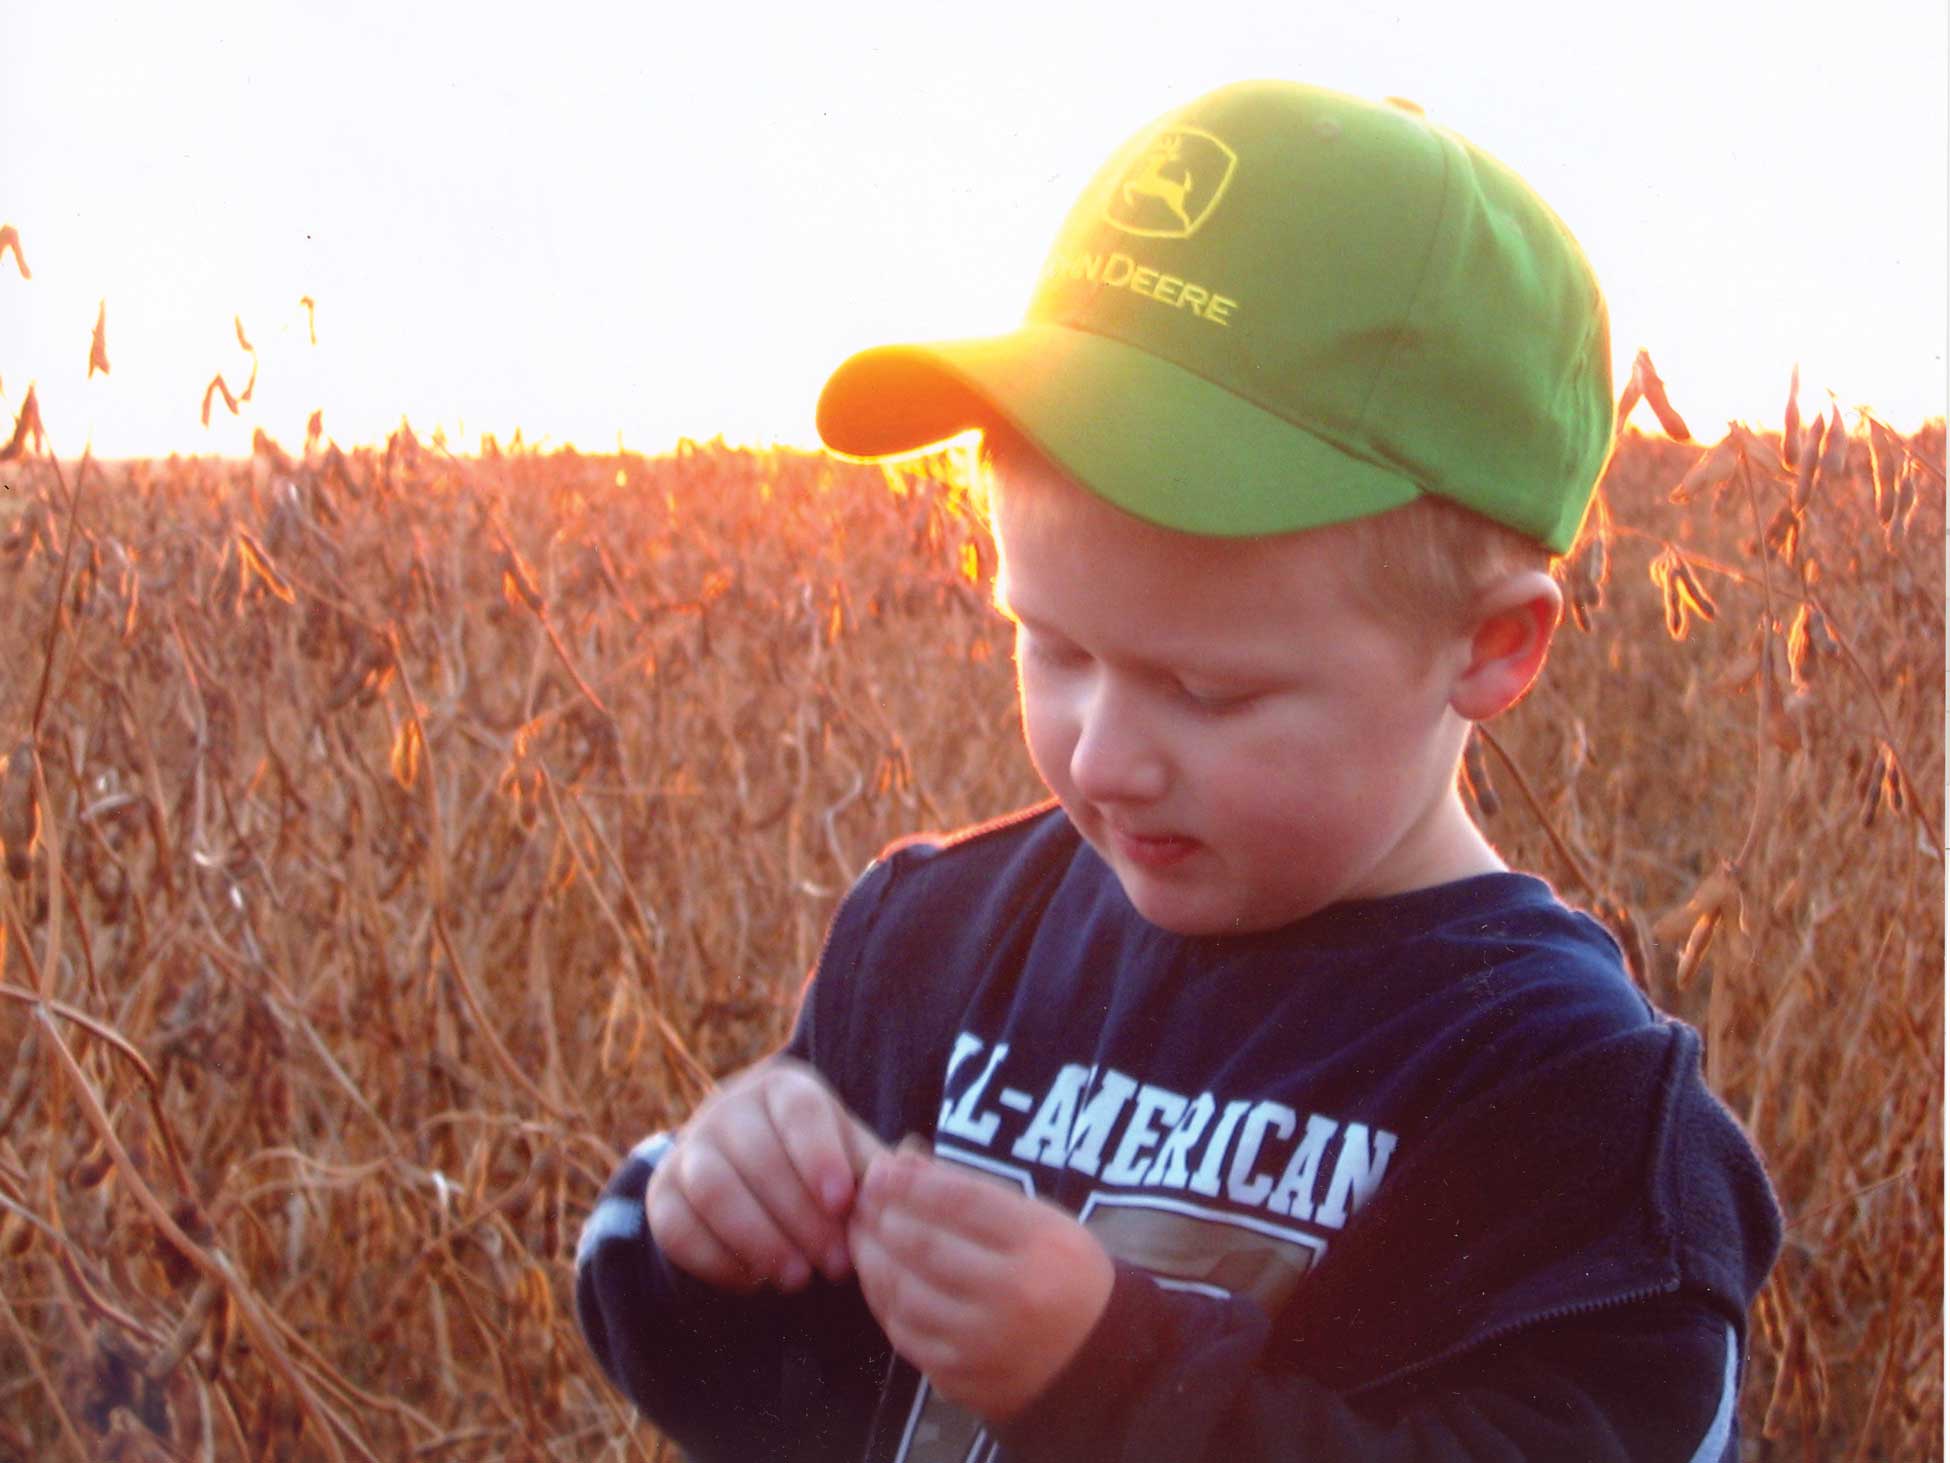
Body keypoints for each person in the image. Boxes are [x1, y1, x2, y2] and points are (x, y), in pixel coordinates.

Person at [574, 78, 1782, 1462]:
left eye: (1204, 690)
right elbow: (774, 1408)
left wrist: (1108, 1377)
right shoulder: (928, 946)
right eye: (1050, 645)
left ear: (1490, 649)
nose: (1099, 753)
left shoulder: (1565, 1108)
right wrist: (697, 1231)